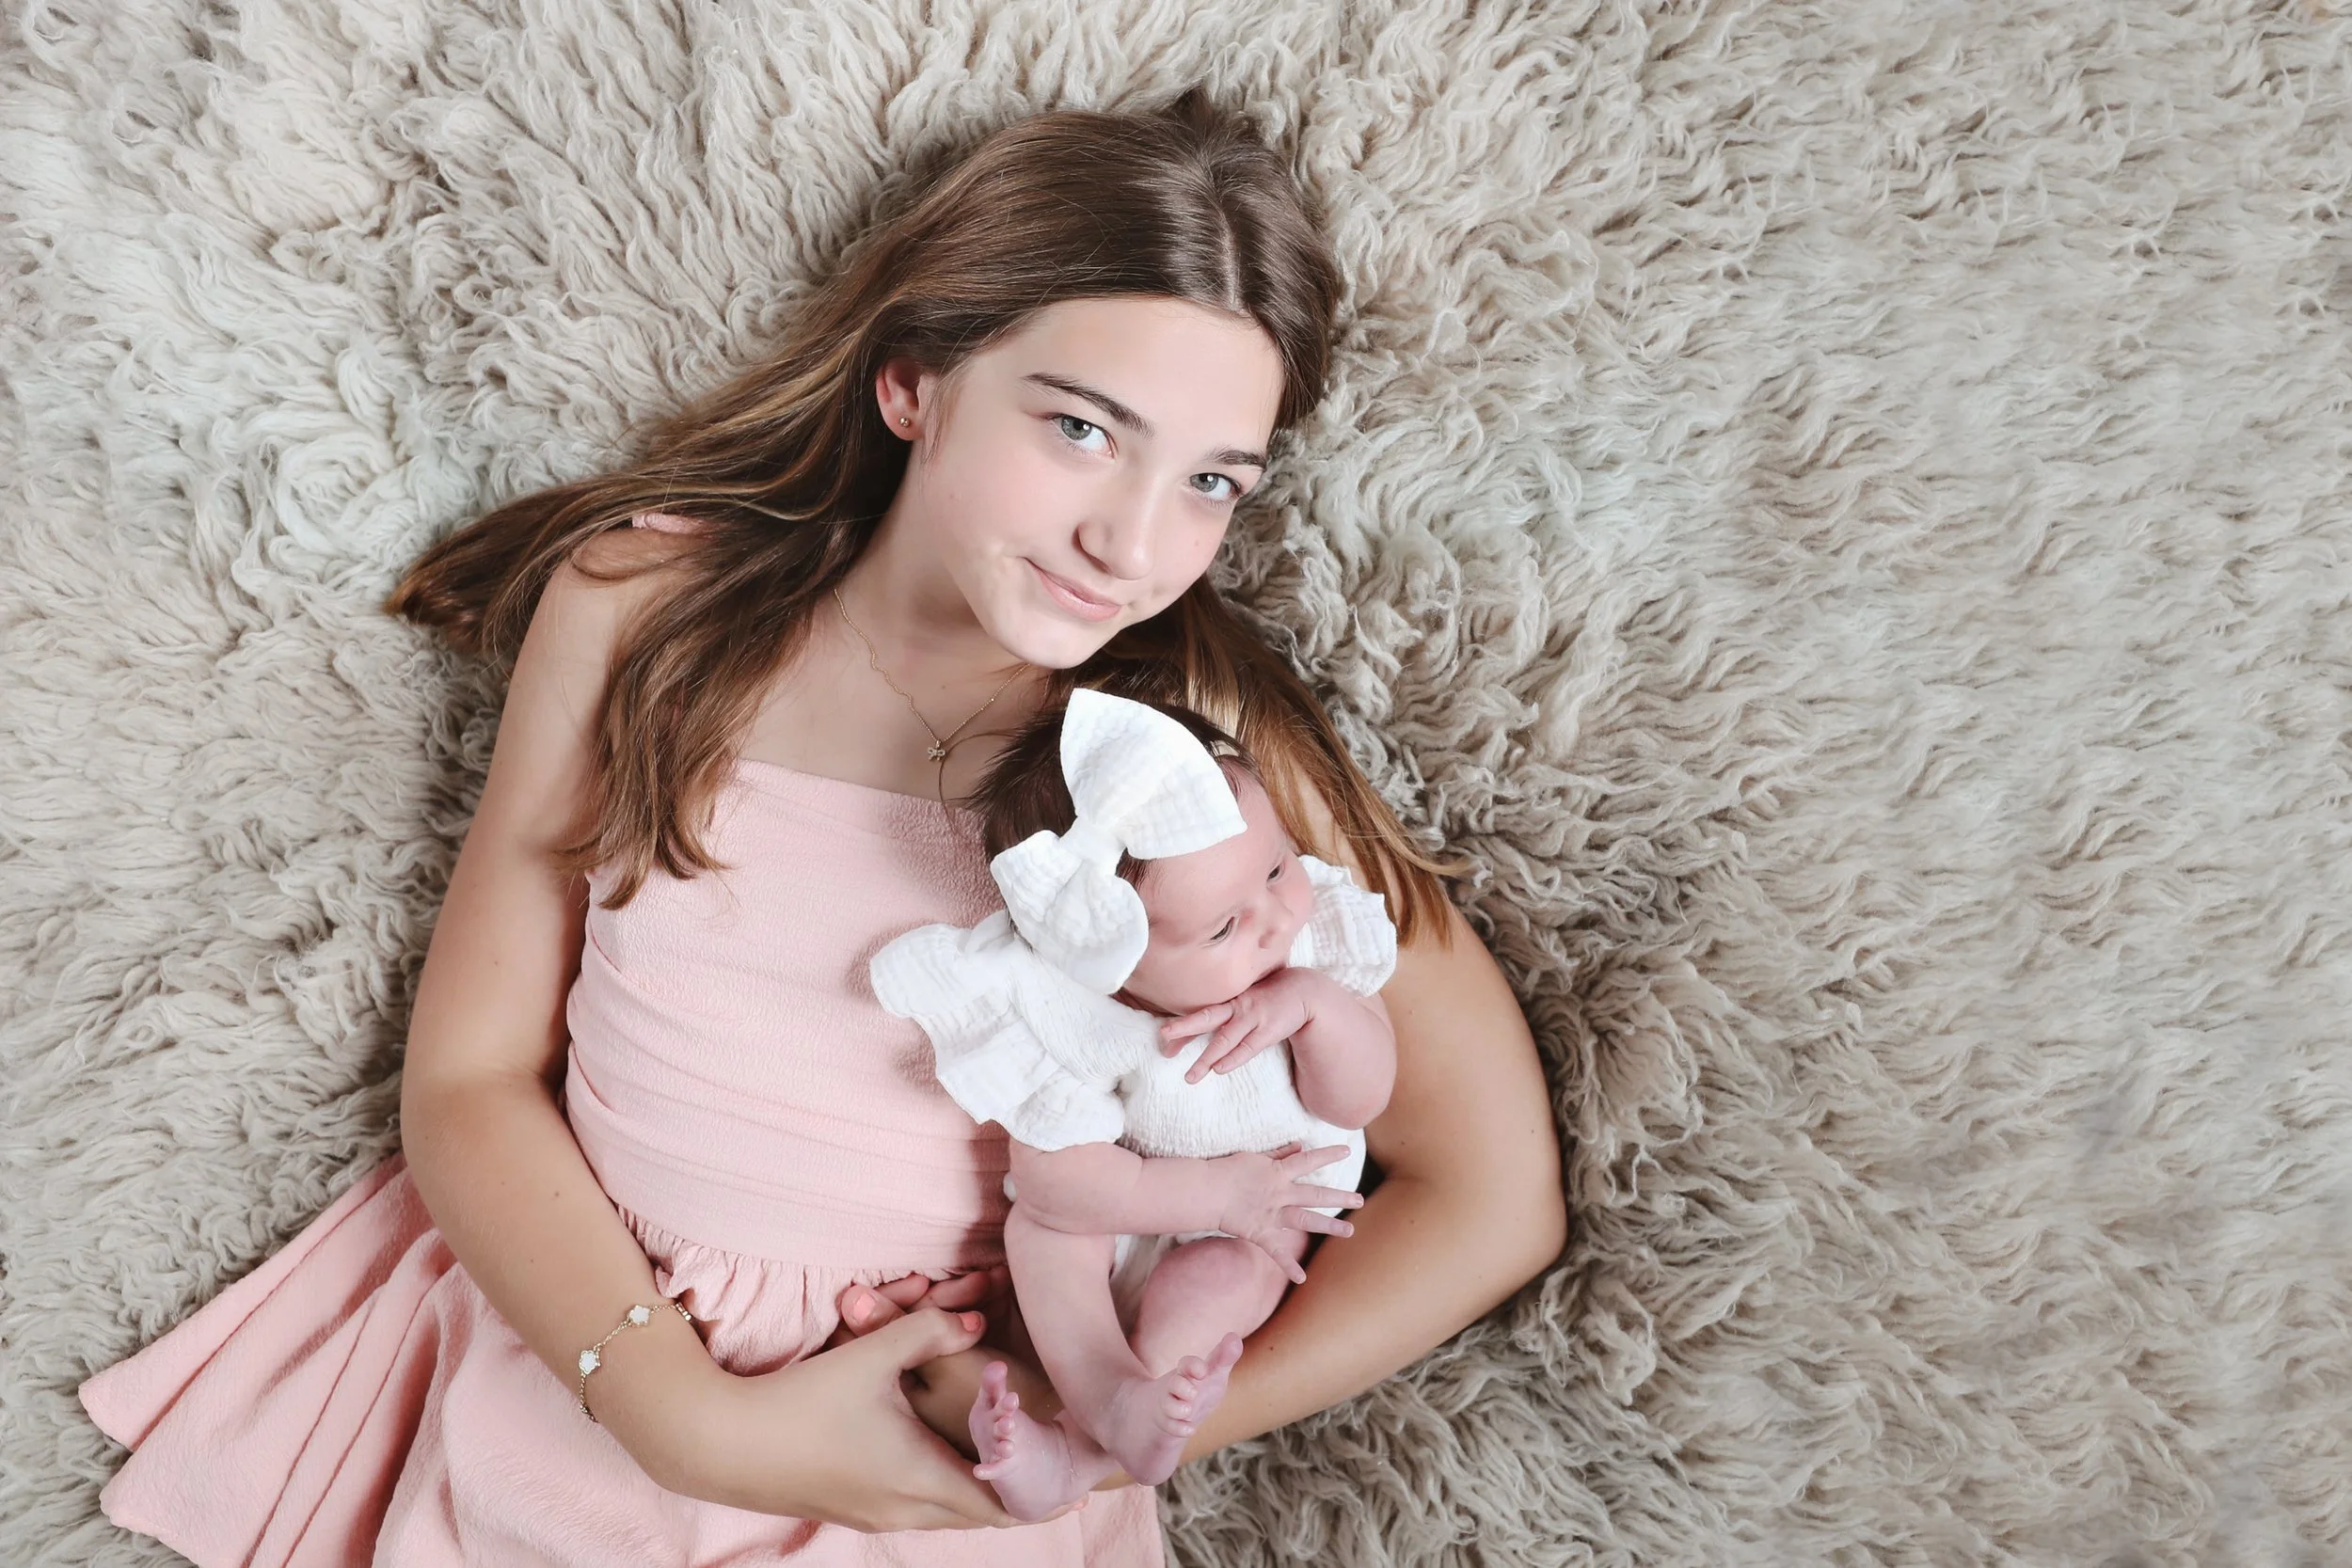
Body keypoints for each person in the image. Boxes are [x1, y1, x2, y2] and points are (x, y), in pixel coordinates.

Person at [75, 88, 1566, 1564]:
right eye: (1077, 427)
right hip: (588, 1380)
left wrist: (1107, 1410)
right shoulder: (647, 610)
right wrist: (681, 1412)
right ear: (913, 383)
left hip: (948, 1483)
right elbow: (468, 1073)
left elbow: (1491, 1191)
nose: (1132, 539)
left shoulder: (1195, 773)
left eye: (1210, 483)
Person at [870, 689, 1400, 1520]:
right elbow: (1057, 1181)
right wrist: (1208, 1189)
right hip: (1136, 1208)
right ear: (1109, 963)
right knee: (1043, 1234)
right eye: (1223, 929)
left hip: (1251, 1229)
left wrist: (1316, 1008)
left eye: (1275, 867)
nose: (1272, 918)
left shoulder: (1311, 950)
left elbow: (1364, 1092)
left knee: (1217, 1281)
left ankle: (1085, 1450)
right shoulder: (1079, 1013)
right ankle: (1106, 1393)